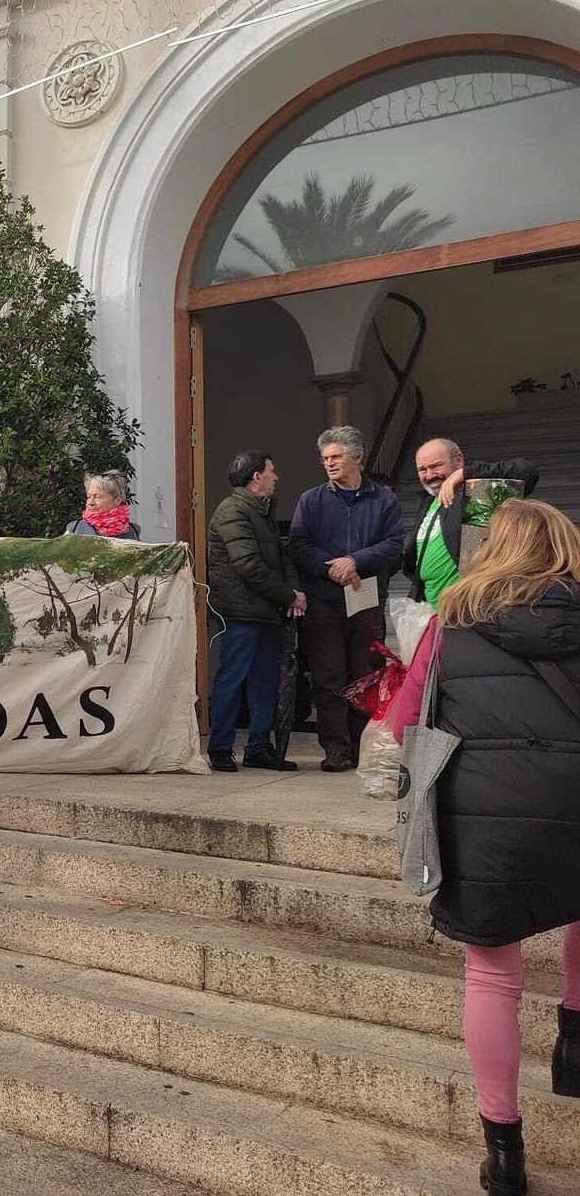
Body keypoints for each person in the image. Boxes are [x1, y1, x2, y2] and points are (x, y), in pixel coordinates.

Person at [386, 499, 580, 1196]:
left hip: (487, 809)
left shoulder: (450, 623)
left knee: (492, 974)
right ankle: (576, 1040)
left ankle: (504, 1153)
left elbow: (405, 720)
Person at [288, 426, 403, 772]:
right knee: (328, 675)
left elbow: (394, 544)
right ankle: (335, 748)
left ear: (358, 457)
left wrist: (357, 561)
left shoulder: (384, 500)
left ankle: (361, 744)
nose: (329, 463)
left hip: (366, 599)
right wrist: (334, 568)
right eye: (325, 458)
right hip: (324, 600)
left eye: (336, 456)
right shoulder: (311, 500)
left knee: (365, 673)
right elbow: (298, 545)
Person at [204, 450, 305, 772]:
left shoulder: (260, 512)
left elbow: (280, 556)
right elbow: (248, 564)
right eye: (271, 471)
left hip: (263, 610)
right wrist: (288, 595)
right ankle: (220, 747)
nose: (276, 477)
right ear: (256, 476)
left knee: (264, 681)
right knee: (232, 680)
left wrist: (293, 593)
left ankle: (259, 747)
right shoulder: (232, 510)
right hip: (240, 612)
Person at [404, 438, 539, 607]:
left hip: (468, 610)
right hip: (431, 610)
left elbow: (527, 471)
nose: (430, 475)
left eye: (436, 466)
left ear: (458, 460)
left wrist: (466, 473)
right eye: (422, 469)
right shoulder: (427, 503)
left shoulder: (477, 494)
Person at [65, 472, 140, 540]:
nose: (90, 503)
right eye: (89, 497)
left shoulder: (133, 530)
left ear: (117, 500)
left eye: (97, 497)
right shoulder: (74, 529)